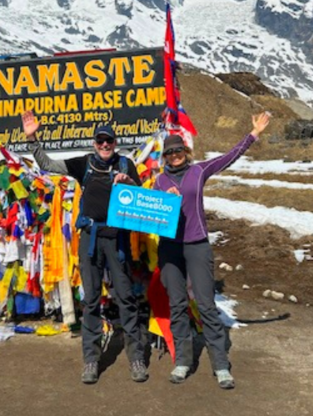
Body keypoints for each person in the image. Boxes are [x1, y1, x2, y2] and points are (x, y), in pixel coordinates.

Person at [21, 110, 148, 385]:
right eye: (100, 141)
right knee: (91, 299)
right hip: (90, 238)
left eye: (109, 142)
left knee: (126, 297)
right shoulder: (84, 164)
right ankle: (91, 360)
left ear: (115, 143)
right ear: (94, 143)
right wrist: (33, 139)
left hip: (117, 240)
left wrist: (129, 184)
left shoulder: (127, 166)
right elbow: (48, 165)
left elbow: (142, 201)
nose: (105, 146)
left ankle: (136, 356)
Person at [153, 112, 271, 389]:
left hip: (197, 245)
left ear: (186, 151)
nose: (175, 156)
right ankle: (183, 361)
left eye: (178, 151)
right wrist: (162, 200)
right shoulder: (159, 182)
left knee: (206, 305)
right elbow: (148, 214)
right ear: (164, 157)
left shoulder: (199, 170)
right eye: (169, 153)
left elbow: (228, 157)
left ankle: (220, 365)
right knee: (178, 305)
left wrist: (252, 134)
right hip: (170, 249)